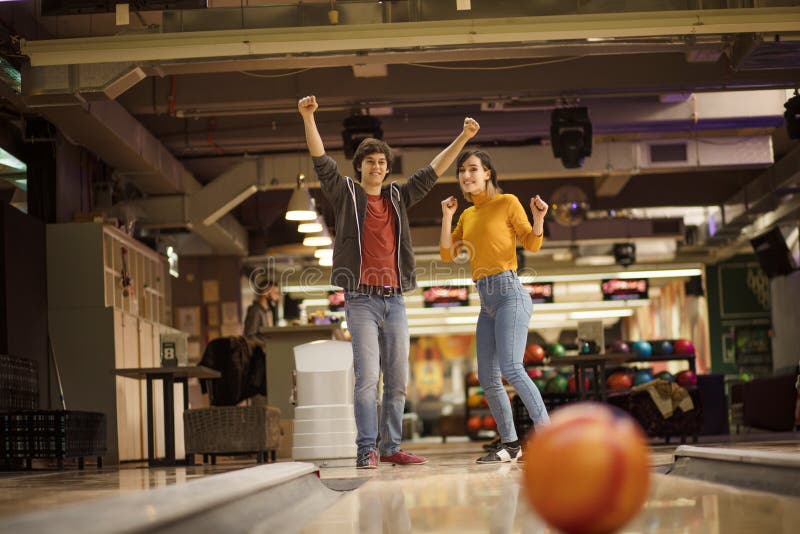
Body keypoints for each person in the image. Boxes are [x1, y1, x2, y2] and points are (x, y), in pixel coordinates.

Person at [299, 95, 479, 469]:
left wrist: (462, 138)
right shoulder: (346, 193)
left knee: (397, 379)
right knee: (368, 380)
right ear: (360, 167)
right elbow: (321, 161)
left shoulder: (398, 196)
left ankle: (391, 446)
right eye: (371, 162)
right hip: (361, 300)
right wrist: (309, 116)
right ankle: (367, 447)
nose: (377, 167)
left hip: (394, 299)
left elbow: (432, 171)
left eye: (382, 162)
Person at [439, 149, 550, 463]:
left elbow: (532, 242)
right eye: (462, 171)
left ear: (488, 173)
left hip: (510, 294)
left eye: (473, 169)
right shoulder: (467, 215)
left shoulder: (507, 203)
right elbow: (447, 255)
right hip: (486, 301)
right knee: (487, 377)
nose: (466, 175)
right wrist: (447, 217)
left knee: (513, 369)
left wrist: (539, 217)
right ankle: (511, 444)